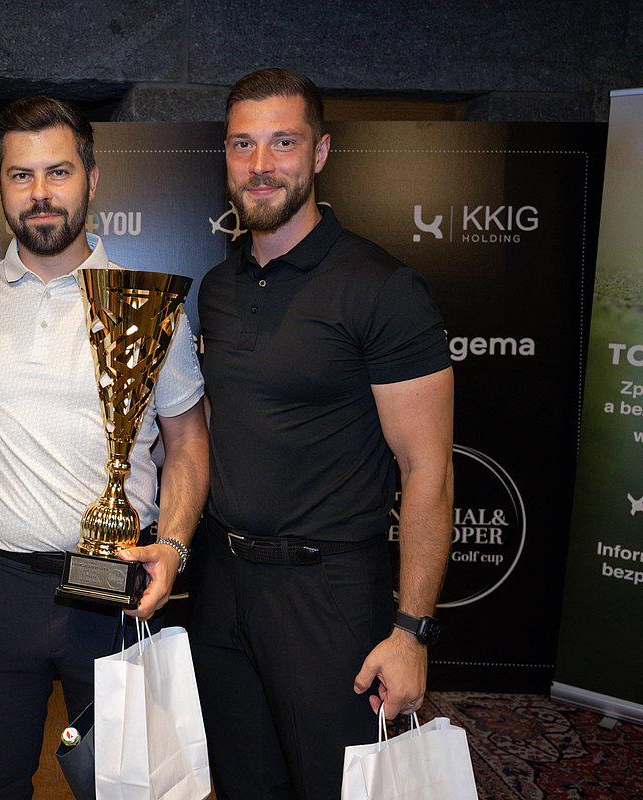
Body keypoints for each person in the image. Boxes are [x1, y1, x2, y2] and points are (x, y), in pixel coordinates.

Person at [0, 95, 209, 800]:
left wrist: (173, 546)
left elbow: (187, 440)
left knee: (129, 788)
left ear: (92, 178)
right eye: (21, 175)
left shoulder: (149, 306)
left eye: (58, 172)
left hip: (115, 587)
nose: (41, 193)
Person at [188, 68, 454, 800]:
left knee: (337, 787)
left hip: (328, 595)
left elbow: (427, 469)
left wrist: (413, 631)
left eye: (283, 142)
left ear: (321, 152)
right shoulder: (218, 288)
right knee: (243, 786)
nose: (261, 164)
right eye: (242, 144)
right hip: (221, 588)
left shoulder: (383, 287)